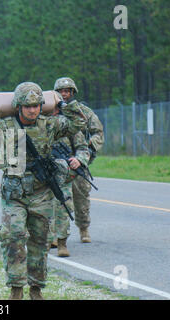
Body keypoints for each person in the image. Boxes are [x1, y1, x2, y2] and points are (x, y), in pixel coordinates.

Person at [0, 82, 85, 300]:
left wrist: (62, 102)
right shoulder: (4, 126)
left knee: (40, 240)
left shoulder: (49, 125)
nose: (33, 110)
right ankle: (16, 287)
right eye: (27, 106)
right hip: (14, 194)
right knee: (13, 236)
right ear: (18, 106)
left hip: (42, 193)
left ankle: (36, 288)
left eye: (37, 105)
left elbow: (79, 121)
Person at [54, 77, 104, 243]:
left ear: (73, 92)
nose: (64, 94)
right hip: (57, 163)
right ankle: (56, 235)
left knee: (81, 197)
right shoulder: (51, 112)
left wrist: (87, 149)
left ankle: (84, 229)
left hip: (79, 162)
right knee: (56, 200)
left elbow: (98, 132)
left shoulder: (83, 111)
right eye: (61, 91)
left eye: (67, 91)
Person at [47, 105, 90, 257]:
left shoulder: (68, 125)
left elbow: (83, 148)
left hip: (62, 173)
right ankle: (46, 239)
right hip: (42, 175)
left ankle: (61, 243)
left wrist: (78, 160)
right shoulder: (37, 124)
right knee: (42, 208)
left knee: (63, 207)